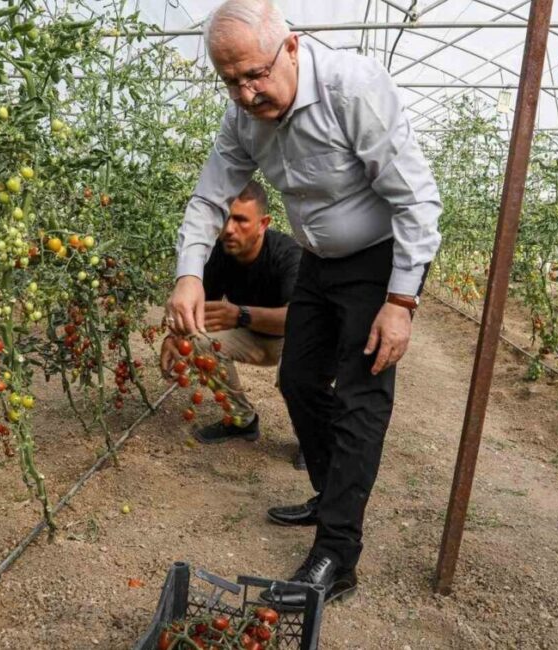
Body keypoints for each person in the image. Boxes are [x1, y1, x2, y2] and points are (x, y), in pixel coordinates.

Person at [165, 0, 442, 608]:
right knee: (298, 380)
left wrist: (401, 301)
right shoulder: (243, 120)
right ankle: (328, 491)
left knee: (360, 398)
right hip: (318, 260)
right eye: (230, 80)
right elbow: (209, 198)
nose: (245, 93)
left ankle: (337, 554)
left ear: (290, 47)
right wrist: (189, 273)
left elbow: (418, 201)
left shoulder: (353, 89)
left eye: (255, 74)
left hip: (378, 260)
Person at [160, 181, 304, 467]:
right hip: (252, 338)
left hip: (294, 339)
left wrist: (241, 315)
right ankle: (242, 420)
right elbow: (198, 313)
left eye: (240, 220)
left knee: (298, 372)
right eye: (225, 219)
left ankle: (312, 437)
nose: (229, 229)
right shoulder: (218, 254)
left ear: (263, 223)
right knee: (199, 340)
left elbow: (300, 319)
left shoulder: (288, 255)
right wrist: (172, 338)